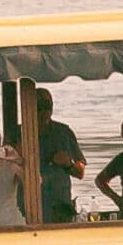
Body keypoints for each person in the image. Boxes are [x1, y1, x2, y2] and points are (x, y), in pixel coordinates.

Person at [34, 88, 84, 220]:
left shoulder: (64, 132)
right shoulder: (18, 134)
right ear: (28, 108)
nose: (44, 112)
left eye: (48, 106)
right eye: (39, 107)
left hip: (61, 208)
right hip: (28, 207)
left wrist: (68, 164)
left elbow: (80, 172)